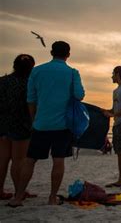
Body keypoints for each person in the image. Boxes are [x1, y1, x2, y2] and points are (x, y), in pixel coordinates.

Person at [9, 42, 85, 207]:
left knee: (30, 160)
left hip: (41, 124)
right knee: (58, 161)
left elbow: (31, 99)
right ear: (68, 55)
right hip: (63, 125)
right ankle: (52, 198)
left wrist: (34, 119)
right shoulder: (72, 73)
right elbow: (79, 95)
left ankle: (18, 196)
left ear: (51, 52)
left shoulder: (37, 71)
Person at [0, 54, 36, 201]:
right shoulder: (29, 84)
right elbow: (31, 106)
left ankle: (0, 190)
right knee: (18, 160)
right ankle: (19, 191)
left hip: (2, 124)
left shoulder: (2, 81)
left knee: (2, 159)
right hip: (21, 125)